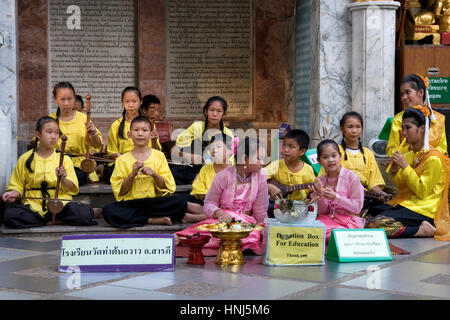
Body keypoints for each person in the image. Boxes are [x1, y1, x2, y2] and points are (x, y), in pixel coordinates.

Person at [175, 136, 269, 255]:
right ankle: (183, 237)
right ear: (245, 159)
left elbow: (260, 210)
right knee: (207, 231)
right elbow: (209, 203)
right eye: (259, 158)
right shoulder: (223, 176)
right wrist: (218, 212)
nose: (262, 163)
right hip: (223, 222)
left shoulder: (261, 176)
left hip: (248, 225)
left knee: (252, 235)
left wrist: (262, 229)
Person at [367, 108, 450, 240]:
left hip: (424, 210)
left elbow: (422, 191)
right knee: (366, 215)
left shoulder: (434, 158)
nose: (404, 133)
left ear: (422, 128)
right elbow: (404, 189)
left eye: (408, 128)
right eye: (402, 128)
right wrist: (394, 172)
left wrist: (405, 166)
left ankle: (421, 230)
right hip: (409, 203)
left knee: (377, 224)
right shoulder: (410, 155)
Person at [1, 116, 99, 228]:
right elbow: (17, 185)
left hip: (60, 205)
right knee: (10, 215)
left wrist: (63, 179)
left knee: (83, 214)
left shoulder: (64, 159)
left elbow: (72, 189)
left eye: (57, 133)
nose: (54, 136)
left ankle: (43, 221)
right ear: (38, 134)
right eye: (49, 132)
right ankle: (53, 221)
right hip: (33, 206)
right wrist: (13, 194)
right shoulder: (25, 158)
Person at [101, 116, 187, 229]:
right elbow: (121, 191)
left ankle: (142, 218)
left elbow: (166, 187)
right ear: (129, 134)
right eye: (136, 130)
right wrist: (132, 174)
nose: (140, 134)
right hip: (133, 204)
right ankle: (151, 220)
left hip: (154, 202)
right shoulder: (122, 160)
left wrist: (154, 174)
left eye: (144, 130)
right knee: (109, 211)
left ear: (151, 134)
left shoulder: (159, 156)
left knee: (180, 202)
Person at [318, 112, 387, 210]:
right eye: (350, 127)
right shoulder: (335, 152)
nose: (354, 131)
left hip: (364, 196)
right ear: (342, 129)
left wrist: (383, 195)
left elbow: (373, 182)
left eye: (358, 127)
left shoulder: (368, 153)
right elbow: (324, 178)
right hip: (339, 195)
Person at [310, 139, 366, 242]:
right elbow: (322, 211)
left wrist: (336, 198)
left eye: (334, 156)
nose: (330, 160)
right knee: (312, 233)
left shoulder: (352, 178)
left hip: (348, 222)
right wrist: (319, 194)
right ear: (319, 161)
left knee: (338, 235)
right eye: (325, 157)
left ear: (340, 156)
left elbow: (357, 208)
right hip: (327, 221)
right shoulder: (321, 180)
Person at [170, 96, 234, 185]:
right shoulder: (196, 127)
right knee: (172, 173)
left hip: (217, 170)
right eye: (212, 110)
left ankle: (201, 180)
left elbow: (230, 162)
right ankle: (199, 179)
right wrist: (187, 156)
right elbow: (174, 151)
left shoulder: (228, 133)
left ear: (223, 114)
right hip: (198, 168)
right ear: (206, 112)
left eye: (219, 111)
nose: (215, 114)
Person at [103, 87, 161, 183]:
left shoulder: (149, 124)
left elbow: (156, 152)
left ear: (140, 102)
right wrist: (122, 158)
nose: (130, 105)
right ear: (122, 102)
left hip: (146, 163)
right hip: (124, 164)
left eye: (134, 101)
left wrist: (154, 140)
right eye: (127, 101)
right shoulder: (116, 125)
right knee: (111, 173)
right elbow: (112, 152)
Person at [50, 82, 103, 186]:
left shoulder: (83, 118)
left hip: (80, 166)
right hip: (56, 164)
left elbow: (97, 145)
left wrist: (93, 133)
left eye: (70, 99)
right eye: (62, 99)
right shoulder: (50, 120)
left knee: (76, 177)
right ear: (55, 100)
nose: (66, 103)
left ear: (74, 99)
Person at [386, 74, 447, 157]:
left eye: (408, 92)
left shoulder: (438, 118)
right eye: (402, 94)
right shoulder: (398, 119)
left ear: (421, 92)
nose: (404, 97)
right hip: (406, 166)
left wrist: (425, 150)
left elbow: (442, 148)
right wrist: (409, 149)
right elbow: (390, 151)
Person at [182, 133, 237, 223]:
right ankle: (212, 215)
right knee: (182, 202)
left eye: (219, 147)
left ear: (230, 151)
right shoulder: (205, 169)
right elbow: (198, 190)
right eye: (211, 147)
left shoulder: (236, 170)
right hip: (207, 203)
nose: (214, 150)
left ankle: (198, 218)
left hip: (228, 205)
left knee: (231, 210)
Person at [264, 129, 315, 217]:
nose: (286, 149)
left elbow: (311, 193)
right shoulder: (276, 165)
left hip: (299, 209)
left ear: (302, 151)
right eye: (284, 145)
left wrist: (311, 193)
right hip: (277, 208)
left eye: (291, 146)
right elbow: (258, 178)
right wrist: (269, 186)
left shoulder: (308, 170)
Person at [140, 94, 174, 159]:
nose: (156, 113)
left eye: (158, 110)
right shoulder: (138, 126)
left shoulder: (153, 124)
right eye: (153, 109)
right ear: (144, 111)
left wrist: (154, 140)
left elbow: (157, 151)